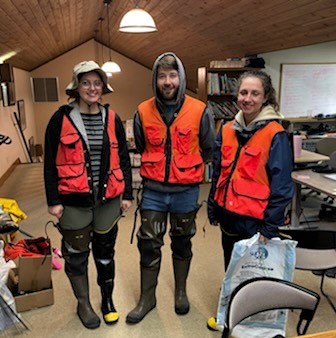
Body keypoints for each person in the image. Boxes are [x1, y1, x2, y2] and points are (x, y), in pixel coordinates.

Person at [126, 52, 215, 324]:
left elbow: (209, 148)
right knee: (148, 243)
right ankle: (147, 298)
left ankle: (180, 292)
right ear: (155, 79)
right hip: (153, 190)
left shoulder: (200, 110)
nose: (168, 81)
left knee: (182, 241)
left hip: (186, 191)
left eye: (173, 75)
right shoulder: (142, 110)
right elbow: (140, 145)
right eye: (162, 76)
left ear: (181, 78)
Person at [44, 61, 133, 329]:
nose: (92, 88)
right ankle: (84, 304)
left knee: (105, 254)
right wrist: (53, 201)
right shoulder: (60, 118)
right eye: (86, 83)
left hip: (107, 201)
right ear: (76, 87)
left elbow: (124, 159)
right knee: (76, 255)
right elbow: (49, 162)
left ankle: (107, 300)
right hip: (73, 202)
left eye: (97, 83)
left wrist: (127, 193)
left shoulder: (112, 118)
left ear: (103, 87)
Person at [207, 69, 294, 270]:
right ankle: (232, 297)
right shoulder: (227, 129)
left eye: (255, 93)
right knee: (231, 267)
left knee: (253, 272)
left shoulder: (275, 134)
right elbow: (219, 172)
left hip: (255, 221)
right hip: (227, 216)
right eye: (243, 93)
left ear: (265, 97)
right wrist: (213, 207)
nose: (248, 99)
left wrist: (270, 226)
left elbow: (282, 186)